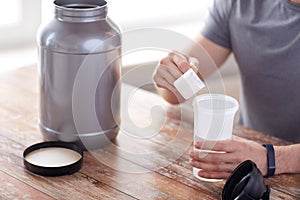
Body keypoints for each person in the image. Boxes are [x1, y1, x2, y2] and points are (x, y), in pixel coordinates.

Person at [153, 0, 300, 179]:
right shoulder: (238, 4)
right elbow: (173, 94)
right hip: (247, 160)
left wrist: (270, 158)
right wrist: (172, 75)